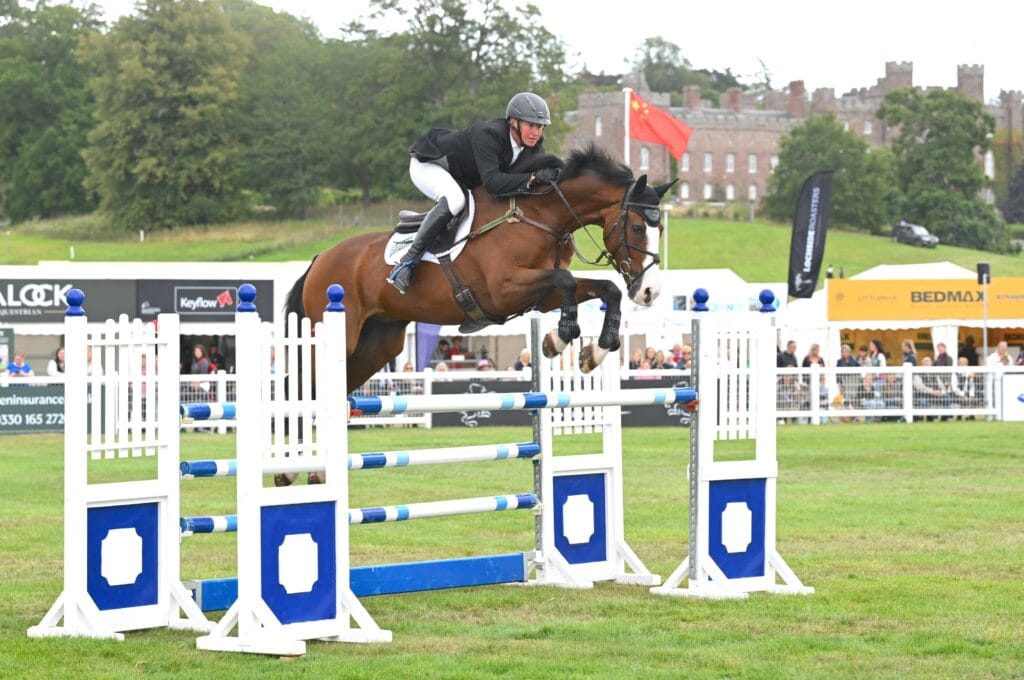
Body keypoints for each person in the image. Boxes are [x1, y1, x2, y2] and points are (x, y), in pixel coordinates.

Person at [388, 92, 555, 293]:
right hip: (430, 164)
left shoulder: (534, 146)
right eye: (531, 125)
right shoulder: (489, 135)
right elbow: (493, 183)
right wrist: (533, 178)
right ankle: (407, 263)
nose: (536, 133)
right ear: (513, 122)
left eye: (540, 127)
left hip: (463, 176)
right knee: (455, 200)